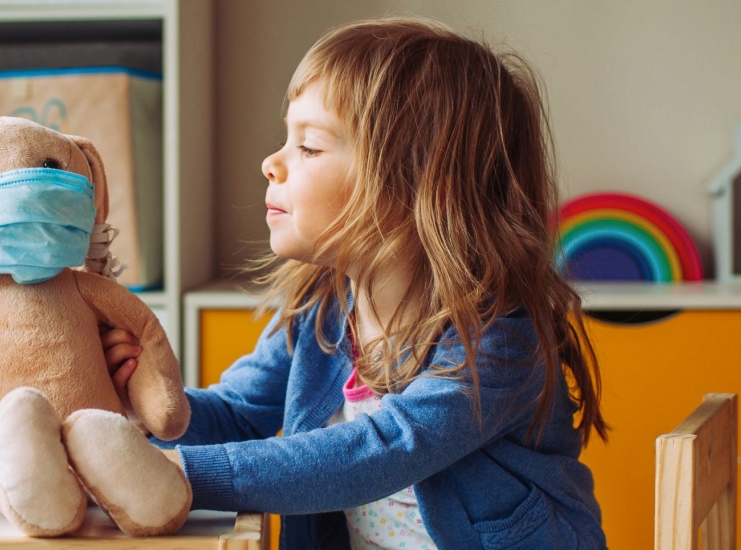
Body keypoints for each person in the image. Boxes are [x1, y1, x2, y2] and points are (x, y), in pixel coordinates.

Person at [102, 15, 608, 550]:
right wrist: (142, 409)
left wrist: (176, 474)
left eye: (310, 147)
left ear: (416, 186)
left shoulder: (498, 339)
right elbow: (235, 412)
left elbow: (380, 450)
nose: (271, 162)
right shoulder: (317, 310)